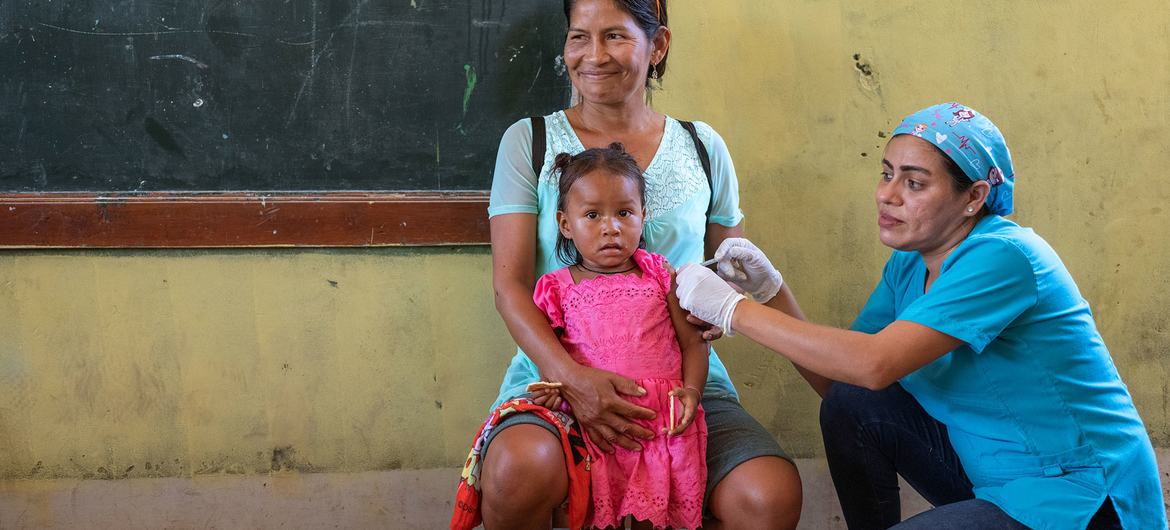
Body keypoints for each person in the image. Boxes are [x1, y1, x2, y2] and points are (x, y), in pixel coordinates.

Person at [675, 102, 1167, 529]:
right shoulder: (910, 263)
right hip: (990, 478)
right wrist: (771, 292)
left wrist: (734, 309)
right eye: (886, 173)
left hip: (1077, 495)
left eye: (914, 183)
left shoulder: (1004, 256)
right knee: (851, 405)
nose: (887, 195)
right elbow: (845, 382)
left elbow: (874, 363)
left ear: (974, 197)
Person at [467, 1, 806, 529]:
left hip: (683, 383)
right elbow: (509, 287)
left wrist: (712, 324)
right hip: (555, 377)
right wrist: (573, 379)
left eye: (615, 36)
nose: (593, 55)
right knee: (518, 470)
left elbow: (728, 276)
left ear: (658, 45)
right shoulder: (529, 142)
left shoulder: (702, 146)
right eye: (579, 37)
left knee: (769, 496)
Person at [526, 144, 709, 529]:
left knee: (655, 518)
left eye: (624, 212)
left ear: (643, 215)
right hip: (595, 423)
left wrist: (692, 391)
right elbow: (552, 361)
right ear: (565, 224)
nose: (611, 227)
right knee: (598, 516)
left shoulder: (660, 275)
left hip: (663, 423)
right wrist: (553, 390)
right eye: (593, 215)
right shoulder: (556, 289)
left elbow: (693, 342)